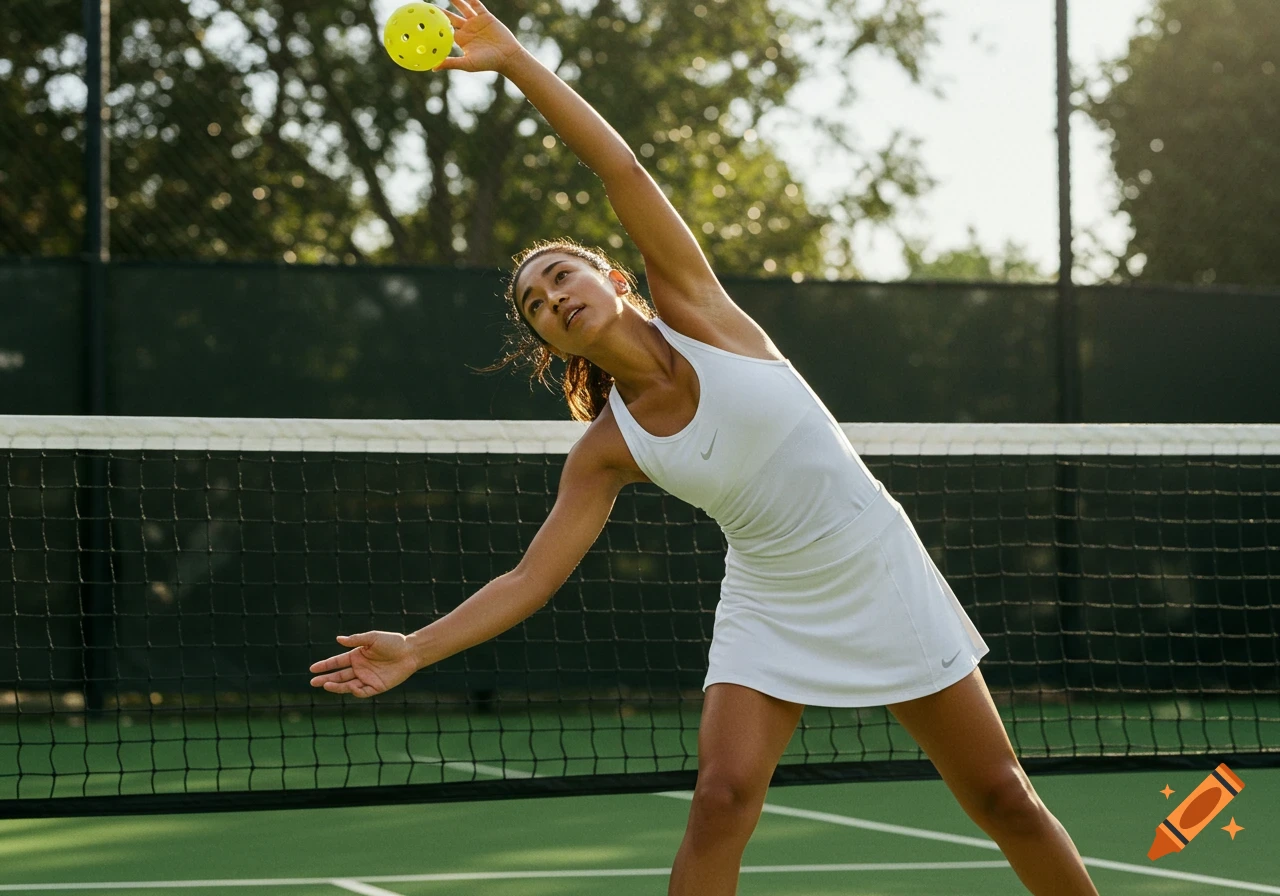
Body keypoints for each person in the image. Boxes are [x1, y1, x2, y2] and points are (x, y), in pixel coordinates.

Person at [309, 3, 1101, 894]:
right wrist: (416, 647)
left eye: (561, 273)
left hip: (874, 564)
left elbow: (620, 165)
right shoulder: (606, 451)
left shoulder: (699, 311)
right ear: (550, 343)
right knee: (721, 799)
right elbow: (530, 580)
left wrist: (518, 63)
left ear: (611, 279)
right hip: (768, 599)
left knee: (1001, 798)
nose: (551, 296)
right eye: (534, 301)